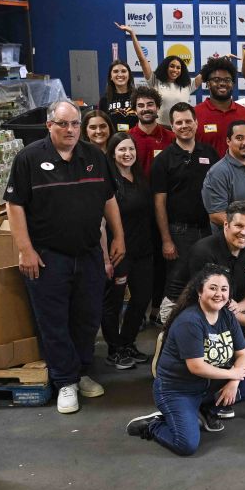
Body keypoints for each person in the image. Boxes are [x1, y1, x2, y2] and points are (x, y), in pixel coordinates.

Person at [4, 100, 124, 415]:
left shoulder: (94, 157)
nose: (70, 130)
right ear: (49, 126)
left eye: (74, 124)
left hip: (88, 255)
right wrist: (25, 249)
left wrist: (118, 236)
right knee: (53, 321)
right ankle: (65, 382)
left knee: (87, 318)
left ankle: (81, 371)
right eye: (63, 124)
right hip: (46, 257)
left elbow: (109, 199)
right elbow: (14, 206)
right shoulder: (29, 159)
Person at [125, 266, 245, 455]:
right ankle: (153, 425)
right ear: (199, 291)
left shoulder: (227, 315)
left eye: (224, 289)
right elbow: (196, 366)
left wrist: (234, 381)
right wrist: (232, 373)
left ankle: (205, 409)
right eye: (212, 288)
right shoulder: (190, 321)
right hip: (177, 390)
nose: (219, 294)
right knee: (186, 445)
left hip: (206, 385)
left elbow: (244, 354)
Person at [159, 202, 245, 348]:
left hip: (225, 306)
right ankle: (167, 344)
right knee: (207, 358)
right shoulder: (204, 251)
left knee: (242, 358)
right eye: (239, 226)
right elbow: (209, 304)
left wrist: (239, 307)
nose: (244, 233)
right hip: (185, 306)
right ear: (226, 225)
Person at [151, 102, 219, 304]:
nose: (184, 125)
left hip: (209, 229)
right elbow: (159, 203)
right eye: (179, 122)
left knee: (208, 279)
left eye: (188, 121)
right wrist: (166, 240)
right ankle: (170, 329)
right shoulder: (163, 160)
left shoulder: (209, 153)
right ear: (172, 127)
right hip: (179, 233)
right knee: (177, 283)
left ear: (197, 123)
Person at [100, 133, 155, 369]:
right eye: (122, 149)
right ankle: (114, 349)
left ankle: (127, 342)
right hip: (119, 253)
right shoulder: (108, 182)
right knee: (113, 302)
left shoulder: (140, 178)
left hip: (143, 251)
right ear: (113, 153)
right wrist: (105, 258)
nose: (127, 154)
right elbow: (100, 223)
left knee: (141, 299)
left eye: (131, 149)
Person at [118, 22, 203, 108]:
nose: (175, 70)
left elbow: (207, 70)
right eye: (172, 66)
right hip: (159, 122)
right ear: (166, 67)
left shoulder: (188, 85)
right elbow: (142, 59)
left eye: (178, 68)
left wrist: (215, 62)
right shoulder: (155, 81)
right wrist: (132, 34)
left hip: (180, 121)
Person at [195, 56, 245, 155]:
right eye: (216, 79)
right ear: (208, 84)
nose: (222, 83)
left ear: (233, 84)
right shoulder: (194, 115)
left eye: (227, 80)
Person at [128, 86, 174, 177]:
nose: (146, 109)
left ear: (157, 108)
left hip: (165, 190)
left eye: (150, 104)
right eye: (140, 106)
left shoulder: (172, 137)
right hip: (137, 190)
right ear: (135, 111)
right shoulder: (127, 138)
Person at [98, 60, 135, 132]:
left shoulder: (138, 97)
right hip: (113, 140)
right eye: (115, 71)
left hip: (135, 139)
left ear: (129, 75)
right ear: (111, 77)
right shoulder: (104, 100)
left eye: (124, 71)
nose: (120, 74)